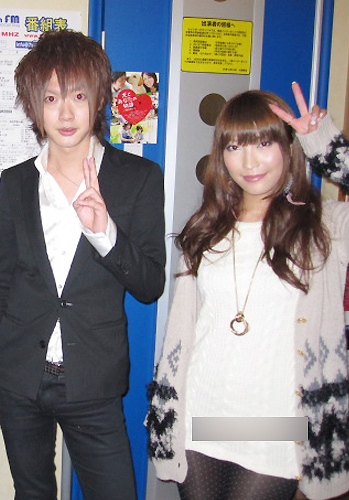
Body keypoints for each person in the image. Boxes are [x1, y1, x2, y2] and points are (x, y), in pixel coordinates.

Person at [0, 29, 166, 500]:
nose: (64, 113)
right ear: (33, 106)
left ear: (98, 100)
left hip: (93, 380)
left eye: (78, 96)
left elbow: (150, 285)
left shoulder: (138, 177)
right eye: (51, 97)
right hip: (19, 376)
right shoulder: (17, 181)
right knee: (32, 493)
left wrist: (105, 234)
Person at [147, 90, 349, 500]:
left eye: (264, 143)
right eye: (235, 146)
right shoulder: (205, 229)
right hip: (203, 414)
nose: (249, 162)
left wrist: (324, 145)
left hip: (279, 428)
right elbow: (184, 333)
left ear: (288, 146)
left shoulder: (325, 226)